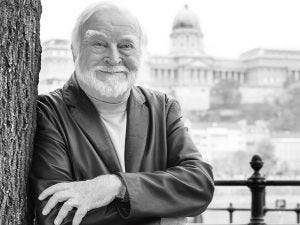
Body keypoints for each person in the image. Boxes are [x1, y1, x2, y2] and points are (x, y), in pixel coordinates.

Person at [30, 2, 214, 225]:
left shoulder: (163, 107)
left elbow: (199, 185)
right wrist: (164, 215)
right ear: (75, 51)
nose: (114, 58)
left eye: (126, 45)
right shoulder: (48, 112)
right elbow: (57, 215)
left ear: (141, 52)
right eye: (99, 43)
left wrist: (116, 186)